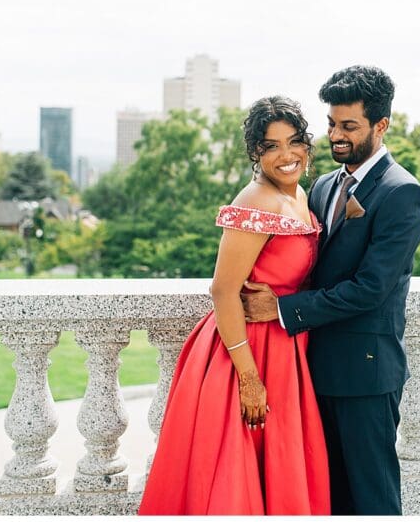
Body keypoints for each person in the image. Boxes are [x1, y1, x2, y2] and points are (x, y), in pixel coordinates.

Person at [242, 66, 420, 515]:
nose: (336, 135)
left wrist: (281, 310)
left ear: (381, 125)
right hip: (310, 370)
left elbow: (370, 289)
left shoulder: (403, 193)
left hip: (365, 374)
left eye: (349, 126)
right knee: (328, 498)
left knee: (373, 498)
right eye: (331, 124)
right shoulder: (322, 184)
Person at [138, 96, 329, 515]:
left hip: (286, 347)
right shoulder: (255, 201)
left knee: (281, 467)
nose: (286, 155)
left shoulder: (301, 197)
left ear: (308, 145)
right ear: (255, 154)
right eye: (271, 146)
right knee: (235, 478)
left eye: (294, 141)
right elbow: (223, 291)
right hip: (246, 353)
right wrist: (249, 379)